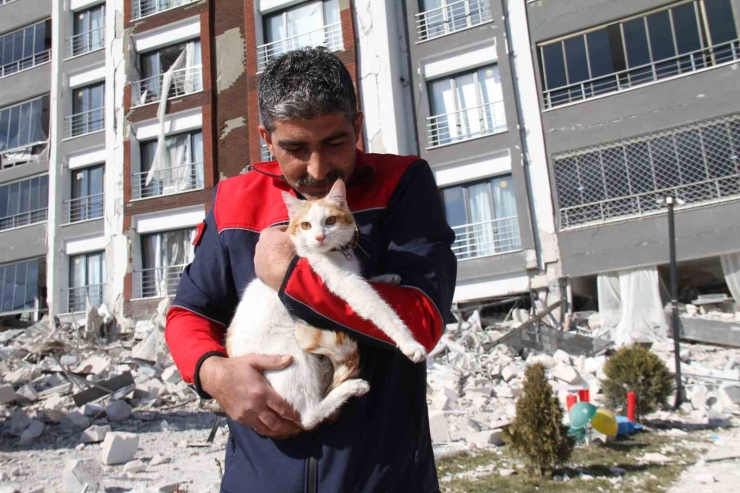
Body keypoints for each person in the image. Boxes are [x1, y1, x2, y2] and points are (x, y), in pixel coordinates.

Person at [165, 47, 457, 493]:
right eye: (295, 148)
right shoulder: (234, 199)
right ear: (266, 137)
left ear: (357, 126)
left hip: (383, 478)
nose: (318, 169)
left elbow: (423, 319)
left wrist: (289, 277)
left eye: (336, 143)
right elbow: (188, 314)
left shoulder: (403, 182)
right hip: (260, 478)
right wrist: (214, 375)